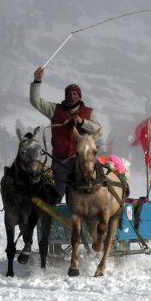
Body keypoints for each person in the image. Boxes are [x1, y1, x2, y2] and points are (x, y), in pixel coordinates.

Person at [30, 67, 102, 204]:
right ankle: (53, 222)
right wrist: (37, 81)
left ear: (79, 96)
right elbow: (36, 101)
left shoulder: (89, 112)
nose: (72, 95)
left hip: (82, 162)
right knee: (56, 196)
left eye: (75, 93)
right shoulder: (54, 110)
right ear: (65, 95)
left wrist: (82, 123)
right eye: (69, 93)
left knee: (87, 195)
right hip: (60, 162)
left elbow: (99, 130)